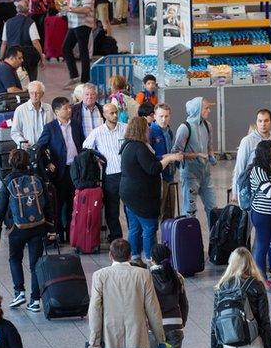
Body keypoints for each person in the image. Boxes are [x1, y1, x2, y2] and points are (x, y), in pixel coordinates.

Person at [88, 238, 165, 348]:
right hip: (135, 335)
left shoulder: (100, 276)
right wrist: (160, 338)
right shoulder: (143, 275)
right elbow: (153, 309)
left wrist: (95, 338)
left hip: (108, 337)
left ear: (110, 255)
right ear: (130, 255)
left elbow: (95, 309)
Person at [210, 247, 271, 348]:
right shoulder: (257, 285)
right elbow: (264, 321)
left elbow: (215, 321)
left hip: (230, 345)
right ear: (250, 263)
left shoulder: (222, 287)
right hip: (253, 343)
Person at [0, 148, 50, 314]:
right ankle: (35, 300)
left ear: (10, 162)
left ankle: (19, 292)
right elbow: (47, 203)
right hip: (38, 226)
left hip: (17, 228)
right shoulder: (37, 179)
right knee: (35, 264)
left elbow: (0, 208)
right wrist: (50, 227)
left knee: (14, 259)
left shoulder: (7, 181)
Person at [120, 117, 183, 261]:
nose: (149, 130)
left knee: (134, 228)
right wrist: (167, 160)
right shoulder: (140, 147)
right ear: (141, 130)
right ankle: (151, 259)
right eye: (147, 128)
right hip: (141, 196)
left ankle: (135, 257)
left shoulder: (128, 145)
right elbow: (153, 168)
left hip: (129, 194)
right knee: (149, 227)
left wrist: (166, 156)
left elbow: (148, 160)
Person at [34, 97, 84, 242]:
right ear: (57, 111)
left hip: (75, 169)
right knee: (58, 204)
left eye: (70, 107)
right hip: (60, 171)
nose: (70, 110)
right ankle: (58, 234)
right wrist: (48, 162)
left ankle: (71, 233)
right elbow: (40, 147)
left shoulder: (76, 124)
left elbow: (81, 143)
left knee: (72, 202)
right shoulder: (50, 127)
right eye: (66, 108)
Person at [246, 140, 271, 292]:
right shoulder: (258, 170)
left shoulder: (270, 166)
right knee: (262, 245)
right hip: (262, 214)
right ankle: (261, 279)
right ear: (266, 152)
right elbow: (270, 194)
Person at [83, 103, 126, 243]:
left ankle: (133, 235)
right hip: (110, 174)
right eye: (111, 113)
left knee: (130, 207)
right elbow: (86, 147)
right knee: (112, 208)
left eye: (116, 112)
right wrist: (96, 158)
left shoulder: (125, 128)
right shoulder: (97, 132)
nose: (115, 115)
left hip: (126, 174)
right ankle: (116, 236)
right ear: (104, 114)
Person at [171, 97, 214, 218]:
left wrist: (211, 156)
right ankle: (189, 235)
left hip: (206, 175)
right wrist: (197, 155)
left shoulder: (208, 125)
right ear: (197, 110)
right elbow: (176, 153)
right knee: (190, 211)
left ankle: (215, 236)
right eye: (206, 108)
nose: (209, 111)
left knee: (213, 208)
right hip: (190, 176)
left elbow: (209, 146)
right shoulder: (184, 128)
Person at [231, 109, 271, 206]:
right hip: (252, 189)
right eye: (260, 121)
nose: (263, 124)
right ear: (256, 122)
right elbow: (239, 168)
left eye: (266, 121)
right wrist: (235, 192)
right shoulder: (247, 141)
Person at [63, 0, 95, 87]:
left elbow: (87, 9)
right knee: (66, 48)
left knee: (83, 51)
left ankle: (84, 80)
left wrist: (70, 8)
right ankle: (75, 76)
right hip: (74, 24)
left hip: (83, 24)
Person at [0, 3, 42, 81]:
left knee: (14, 80)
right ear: (28, 10)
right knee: (31, 80)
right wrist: (41, 57)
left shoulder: (8, 22)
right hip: (27, 57)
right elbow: (35, 42)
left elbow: (4, 43)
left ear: (17, 10)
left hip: (11, 56)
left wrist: (1, 58)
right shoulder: (30, 22)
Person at [9, 81, 53, 148]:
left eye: (37, 93)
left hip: (46, 149)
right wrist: (23, 143)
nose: (34, 95)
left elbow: (53, 128)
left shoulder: (49, 108)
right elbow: (15, 132)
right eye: (31, 93)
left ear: (42, 94)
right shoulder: (20, 110)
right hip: (28, 150)